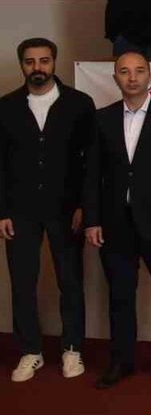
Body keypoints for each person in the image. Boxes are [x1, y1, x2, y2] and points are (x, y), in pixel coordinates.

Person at [82, 52, 151, 389]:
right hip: (115, 223)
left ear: (150, 76)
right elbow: (91, 174)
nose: (132, 77)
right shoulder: (102, 119)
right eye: (125, 71)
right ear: (115, 77)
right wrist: (92, 220)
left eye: (139, 71)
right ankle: (121, 361)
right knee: (119, 297)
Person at [0, 38, 95, 382]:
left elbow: (91, 162)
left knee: (70, 281)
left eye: (43, 60)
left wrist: (85, 206)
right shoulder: (6, 106)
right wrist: (2, 211)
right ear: (22, 65)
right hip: (20, 210)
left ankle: (72, 349)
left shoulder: (79, 104)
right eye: (30, 62)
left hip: (66, 208)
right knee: (22, 283)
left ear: (54, 62)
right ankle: (30, 351)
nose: (37, 67)